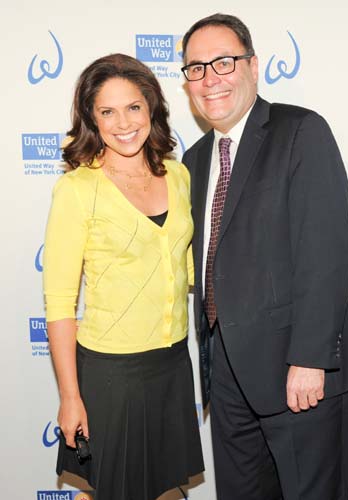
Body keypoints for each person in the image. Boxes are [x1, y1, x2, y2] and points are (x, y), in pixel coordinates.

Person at [181, 13, 348, 500]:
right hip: (226, 374)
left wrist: (310, 358)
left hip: (297, 372)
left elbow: (325, 252)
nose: (211, 78)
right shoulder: (195, 160)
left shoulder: (300, 131)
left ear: (253, 65)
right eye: (196, 68)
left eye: (223, 62)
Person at [43, 53, 204, 500]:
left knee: (167, 489)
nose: (123, 123)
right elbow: (59, 304)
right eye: (106, 111)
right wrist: (70, 397)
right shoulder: (78, 189)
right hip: (111, 373)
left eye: (133, 107)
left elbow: (190, 268)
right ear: (91, 119)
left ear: (151, 106)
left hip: (171, 363)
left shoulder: (178, 175)